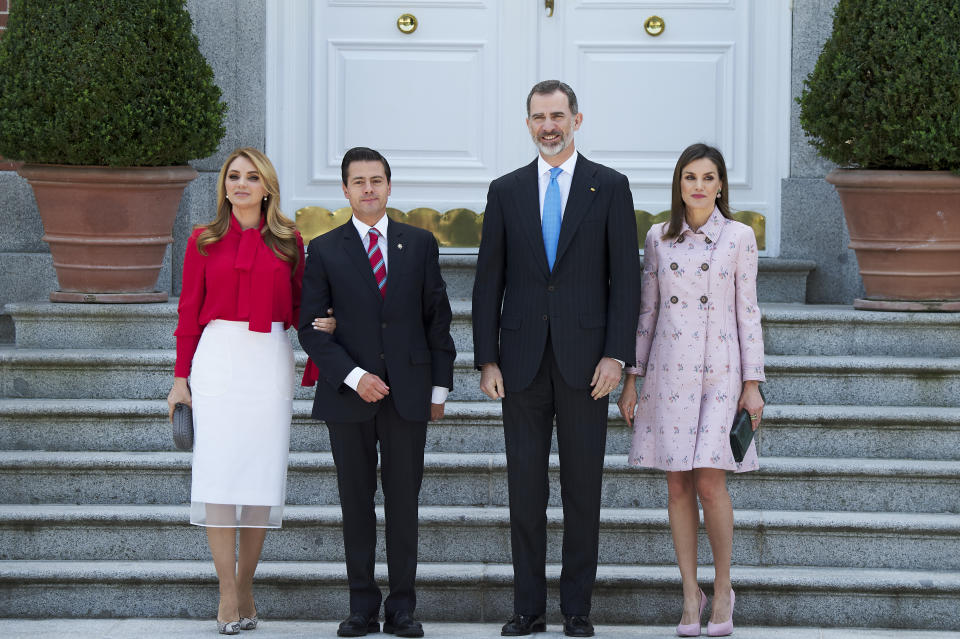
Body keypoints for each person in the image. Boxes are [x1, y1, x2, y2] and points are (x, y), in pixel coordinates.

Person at [472, 80, 641, 638]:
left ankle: (576, 610)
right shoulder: (505, 190)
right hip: (519, 362)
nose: (549, 125)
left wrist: (618, 356)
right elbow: (487, 281)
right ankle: (527, 609)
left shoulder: (610, 187)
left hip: (587, 364)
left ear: (577, 119)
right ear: (527, 124)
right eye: (539, 116)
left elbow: (627, 282)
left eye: (558, 115)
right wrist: (487, 359)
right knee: (525, 489)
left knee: (582, 490)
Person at [298, 147, 456, 639]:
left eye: (377, 180)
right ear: (344, 190)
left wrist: (440, 389)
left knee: (404, 502)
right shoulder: (323, 249)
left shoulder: (420, 243)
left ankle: (402, 609)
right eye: (358, 181)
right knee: (355, 502)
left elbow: (438, 319)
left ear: (390, 186)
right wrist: (354, 376)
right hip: (349, 398)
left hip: (409, 393)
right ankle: (362, 607)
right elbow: (310, 328)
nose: (368, 189)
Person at [617, 143, 765, 638]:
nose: (698, 186)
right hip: (668, 374)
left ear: (721, 184)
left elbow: (748, 312)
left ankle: (723, 587)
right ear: (679, 185)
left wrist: (753, 384)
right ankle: (689, 593)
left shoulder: (740, 237)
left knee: (710, 481)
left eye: (708, 177)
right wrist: (631, 378)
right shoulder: (659, 238)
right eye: (689, 177)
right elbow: (647, 311)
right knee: (677, 482)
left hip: (722, 373)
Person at [167, 147, 317, 635]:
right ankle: (227, 590)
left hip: (269, 361)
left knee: (259, 476)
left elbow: (300, 308)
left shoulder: (290, 241)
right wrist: (179, 380)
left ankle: (246, 582)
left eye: (252, 177)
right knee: (218, 475)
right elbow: (188, 314)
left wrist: (327, 323)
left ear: (267, 186)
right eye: (233, 176)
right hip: (217, 361)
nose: (241, 184)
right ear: (224, 185)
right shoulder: (202, 240)